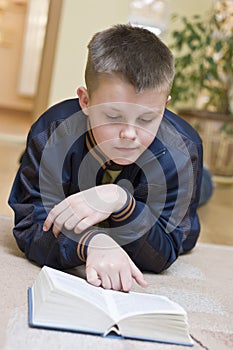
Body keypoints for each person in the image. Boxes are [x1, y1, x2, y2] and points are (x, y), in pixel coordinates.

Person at [9, 24, 203, 292]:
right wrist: (91, 241)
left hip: (168, 182)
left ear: (165, 107)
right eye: (113, 116)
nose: (129, 134)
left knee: (200, 189)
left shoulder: (184, 150)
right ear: (85, 101)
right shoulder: (50, 133)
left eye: (147, 119)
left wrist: (120, 201)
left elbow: (165, 250)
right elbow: (30, 227)